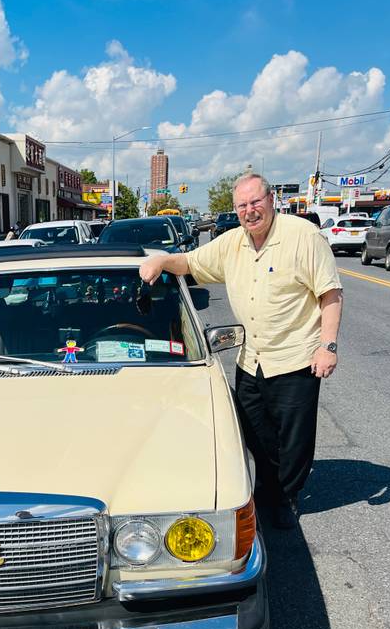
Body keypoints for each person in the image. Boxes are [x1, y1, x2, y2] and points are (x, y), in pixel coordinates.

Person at [139, 172, 343, 529]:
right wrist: (160, 261)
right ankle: (267, 487)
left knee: (294, 439)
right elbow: (189, 263)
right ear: (235, 210)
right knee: (254, 431)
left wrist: (327, 346)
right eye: (242, 205)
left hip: (296, 358)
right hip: (252, 360)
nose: (250, 211)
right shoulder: (232, 242)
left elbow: (330, 293)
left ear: (271, 201)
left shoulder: (303, 237)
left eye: (255, 202)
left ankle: (287, 498)